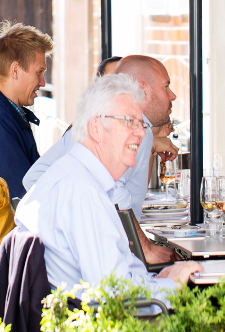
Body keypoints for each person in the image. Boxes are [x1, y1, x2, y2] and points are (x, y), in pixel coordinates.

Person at [14, 74, 203, 301]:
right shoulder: (82, 192)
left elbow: (116, 279)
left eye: (140, 123)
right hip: (115, 327)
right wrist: (173, 285)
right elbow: (116, 297)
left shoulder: (74, 176)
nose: (142, 133)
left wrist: (158, 281)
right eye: (129, 121)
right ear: (96, 128)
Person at [24, 55, 178, 215]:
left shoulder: (87, 123)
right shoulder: (132, 130)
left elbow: (32, 178)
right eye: (166, 86)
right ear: (142, 89)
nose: (172, 95)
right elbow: (115, 197)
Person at [0, 22, 54, 198]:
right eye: (39, 72)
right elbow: (23, 198)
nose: (43, 82)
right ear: (15, 70)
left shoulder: (6, 116)